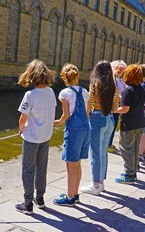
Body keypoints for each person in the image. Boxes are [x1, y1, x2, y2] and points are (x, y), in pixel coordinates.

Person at [15, 59, 56, 215]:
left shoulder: (30, 95)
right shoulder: (51, 92)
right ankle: (40, 199)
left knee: (28, 170)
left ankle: (27, 203)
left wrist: (21, 129)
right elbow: (50, 111)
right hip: (45, 136)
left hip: (32, 138)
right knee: (42, 168)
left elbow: (22, 119)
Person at [53, 64, 90, 206]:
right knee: (78, 164)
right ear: (77, 76)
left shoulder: (64, 93)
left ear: (64, 78)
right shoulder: (84, 91)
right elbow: (87, 111)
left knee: (70, 165)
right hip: (86, 129)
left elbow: (66, 115)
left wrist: (58, 122)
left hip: (74, 131)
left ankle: (69, 197)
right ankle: (75, 194)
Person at [80, 60, 119, 195]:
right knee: (103, 152)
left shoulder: (95, 84)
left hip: (97, 118)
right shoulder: (114, 86)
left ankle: (95, 185)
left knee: (95, 153)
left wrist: (84, 119)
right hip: (110, 120)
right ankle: (101, 182)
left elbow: (89, 103)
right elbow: (115, 107)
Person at [115, 64, 145, 184]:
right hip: (140, 122)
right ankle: (134, 171)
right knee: (135, 147)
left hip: (129, 124)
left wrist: (114, 110)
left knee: (126, 148)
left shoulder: (128, 90)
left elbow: (125, 109)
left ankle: (129, 175)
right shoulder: (141, 89)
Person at [107, 60, 127, 154]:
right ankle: (107, 145)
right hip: (114, 105)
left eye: (121, 69)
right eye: (117, 68)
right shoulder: (112, 79)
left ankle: (109, 143)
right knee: (112, 124)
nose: (119, 70)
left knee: (114, 125)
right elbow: (114, 92)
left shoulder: (120, 79)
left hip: (118, 105)